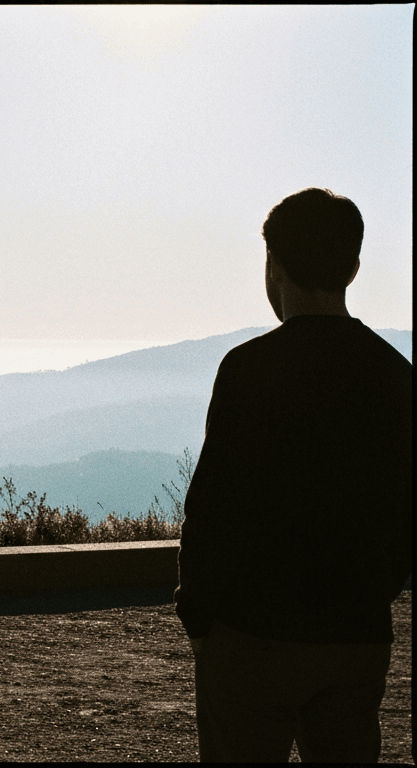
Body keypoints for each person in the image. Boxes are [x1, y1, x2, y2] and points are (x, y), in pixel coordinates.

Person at [175, 188, 412, 762]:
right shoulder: (396, 375)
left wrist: (199, 614)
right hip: (355, 635)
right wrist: (376, 593)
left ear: (273, 266)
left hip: (250, 635)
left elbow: (213, 506)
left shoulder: (249, 369)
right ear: (353, 266)